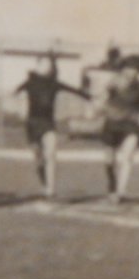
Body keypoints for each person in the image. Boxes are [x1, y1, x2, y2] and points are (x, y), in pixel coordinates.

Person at [14, 53, 89, 199]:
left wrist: (90, 97)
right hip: (32, 124)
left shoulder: (54, 84)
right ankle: (45, 183)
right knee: (39, 159)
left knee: (51, 154)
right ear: (37, 65)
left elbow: (73, 90)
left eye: (50, 64)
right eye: (44, 64)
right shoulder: (29, 83)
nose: (47, 67)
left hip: (48, 123)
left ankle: (51, 189)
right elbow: (15, 93)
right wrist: (16, 104)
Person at [101, 61, 139, 204]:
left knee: (127, 157)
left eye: (135, 70)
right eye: (129, 69)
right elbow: (103, 99)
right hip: (112, 124)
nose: (132, 72)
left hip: (130, 125)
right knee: (109, 160)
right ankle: (112, 184)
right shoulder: (113, 84)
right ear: (123, 70)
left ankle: (120, 192)